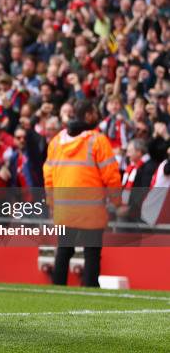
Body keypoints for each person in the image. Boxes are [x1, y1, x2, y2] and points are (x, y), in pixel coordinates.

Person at [44, 99, 121, 287]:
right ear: (87, 115)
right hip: (91, 210)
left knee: (63, 250)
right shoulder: (97, 140)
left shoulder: (56, 142)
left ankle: (57, 288)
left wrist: (52, 204)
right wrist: (117, 201)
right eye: (94, 112)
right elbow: (110, 175)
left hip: (64, 210)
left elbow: (48, 176)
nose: (97, 116)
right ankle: (90, 289)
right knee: (92, 253)